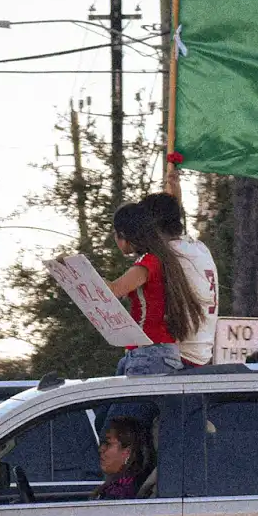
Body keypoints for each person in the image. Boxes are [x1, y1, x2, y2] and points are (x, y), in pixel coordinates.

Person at [105, 203, 206, 376]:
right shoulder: (159, 259)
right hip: (154, 352)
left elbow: (113, 290)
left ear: (124, 234)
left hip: (150, 354)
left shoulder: (148, 262)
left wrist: (76, 272)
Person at [139, 191, 219, 367]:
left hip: (174, 359)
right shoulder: (199, 249)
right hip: (202, 356)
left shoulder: (163, 258)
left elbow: (115, 291)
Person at [93, 416, 154, 500]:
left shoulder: (121, 492)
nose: (100, 449)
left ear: (128, 452)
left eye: (108, 444)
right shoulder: (118, 486)